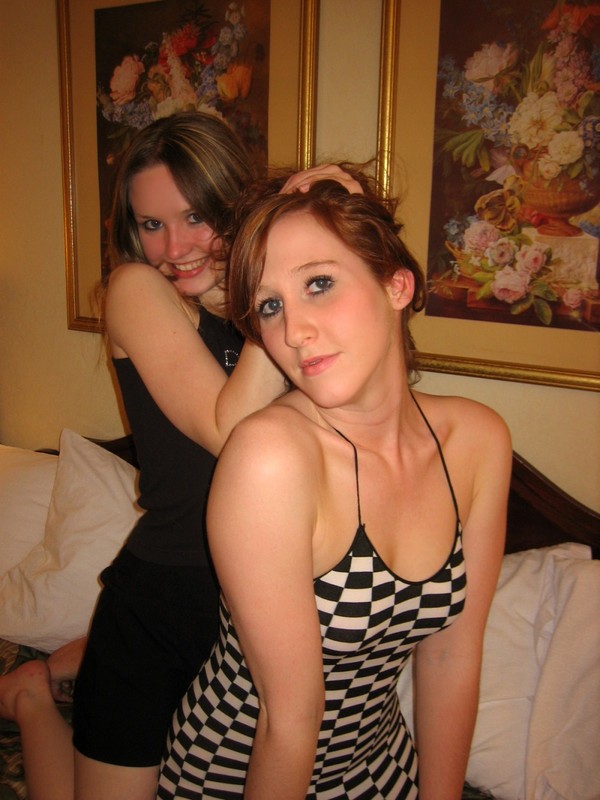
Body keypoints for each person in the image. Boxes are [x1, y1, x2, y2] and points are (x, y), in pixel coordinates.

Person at [0, 112, 361, 800]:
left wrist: (323, 237)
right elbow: (231, 432)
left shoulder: (274, 302)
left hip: (264, 605)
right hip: (164, 601)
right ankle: (32, 699)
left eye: (195, 216)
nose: (175, 247)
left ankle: (73, 661)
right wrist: (272, 281)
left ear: (233, 203)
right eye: (152, 224)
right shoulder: (136, 291)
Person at [157, 169, 512, 799]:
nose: (294, 331)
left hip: (382, 759)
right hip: (242, 768)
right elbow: (289, 721)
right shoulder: (270, 458)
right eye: (270, 306)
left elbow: (451, 656)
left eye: (318, 284)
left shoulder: (477, 442)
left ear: (396, 284)